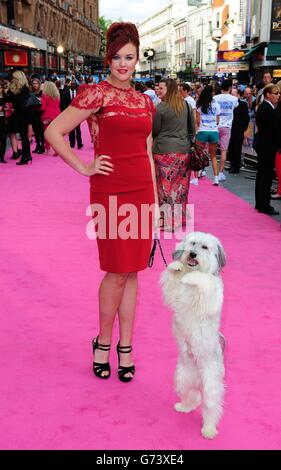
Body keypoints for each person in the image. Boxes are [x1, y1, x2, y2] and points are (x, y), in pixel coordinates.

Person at [45, 22, 159, 382]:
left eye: (129, 57)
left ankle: (126, 346)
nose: (122, 64)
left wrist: (156, 204)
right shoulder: (97, 95)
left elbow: (148, 151)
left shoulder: (144, 101)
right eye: (116, 57)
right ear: (107, 58)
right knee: (116, 272)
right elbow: (53, 131)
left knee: (133, 271)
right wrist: (84, 167)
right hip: (110, 192)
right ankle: (103, 342)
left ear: (138, 58)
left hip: (141, 192)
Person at [152, 78, 195, 231]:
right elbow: (192, 129)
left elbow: (155, 130)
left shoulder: (160, 108)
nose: (158, 90)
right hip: (183, 151)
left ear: (168, 89)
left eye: (161, 88)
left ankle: (168, 221)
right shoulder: (186, 105)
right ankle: (179, 218)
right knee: (181, 187)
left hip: (163, 151)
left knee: (164, 187)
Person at [254, 84, 281, 215]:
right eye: (275, 93)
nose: (278, 96)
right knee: (266, 175)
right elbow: (272, 131)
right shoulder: (266, 108)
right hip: (267, 146)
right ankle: (264, 204)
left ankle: (261, 203)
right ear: (268, 94)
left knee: (263, 175)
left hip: (265, 145)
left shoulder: (266, 107)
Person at [6, 71, 33, 165]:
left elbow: (20, 101)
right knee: (23, 137)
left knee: (24, 137)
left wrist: (12, 92)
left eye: (14, 78)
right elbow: (10, 99)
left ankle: (26, 157)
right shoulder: (17, 89)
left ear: (18, 78)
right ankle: (27, 156)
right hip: (19, 115)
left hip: (24, 116)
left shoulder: (24, 89)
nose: (13, 79)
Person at [213, 79, 238, 181]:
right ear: (230, 88)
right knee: (224, 151)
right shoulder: (234, 99)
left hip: (215, 126)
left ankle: (204, 170)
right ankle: (221, 173)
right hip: (227, 127)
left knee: (212, 151)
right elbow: (236, 107)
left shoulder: (215, 98)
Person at [196, 85, 221, 186]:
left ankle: (197, 176)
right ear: (212, 93)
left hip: (202, 131)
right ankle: (216, 178)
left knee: (199, 155)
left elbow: (198, 120)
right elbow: (218, 120)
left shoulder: (200, 105)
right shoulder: (216, 105)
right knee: (213, 156)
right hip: (214, 132)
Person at [227, 88, 249, 174]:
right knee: (230, 149)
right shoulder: (229, 104)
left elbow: (246, 118)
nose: (232, 96)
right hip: (230, 129)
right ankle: (232, 165)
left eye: (233, 95)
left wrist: (243, 130)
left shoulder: (242, 104)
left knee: (237, 149)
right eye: (231, 95)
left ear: (238, 95)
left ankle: (236, 167)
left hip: (238, 130)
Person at [60, 80, 83, 149]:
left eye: (74, 84)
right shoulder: (65, 93)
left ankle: (79, 143)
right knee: (71, 129)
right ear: (70, 85)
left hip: (77, 114)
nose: (73, 85)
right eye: (72, 84)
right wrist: (67, 110)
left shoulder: (79, 93)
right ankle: (72, 143)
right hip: (69, 114)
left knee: (78, 129)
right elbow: (62, 103)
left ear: (76, 86)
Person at [41, 80, 61, 155]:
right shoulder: (57, 95)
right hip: (57, 115)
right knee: (55, 133)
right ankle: (57, 150)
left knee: (47, 134)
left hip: (47, 116)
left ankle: (47, 149)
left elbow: (42, 107)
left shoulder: (44, 96)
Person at [30, 77, 45, 154]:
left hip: (40, 113)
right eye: (33, 83)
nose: (34, 85)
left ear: (39, 84)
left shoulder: (42, 92)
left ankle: (42, 146)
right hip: (33, 113)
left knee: (41, 131)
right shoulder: (31, 92)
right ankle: (38, 145)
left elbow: (44, 103)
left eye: (36, 83)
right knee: (35, 131)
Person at [0, 81, 7, 163]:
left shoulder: (5, 97)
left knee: (3, 138)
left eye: (0, 87)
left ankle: (2, 157)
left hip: (4, 120)